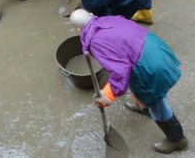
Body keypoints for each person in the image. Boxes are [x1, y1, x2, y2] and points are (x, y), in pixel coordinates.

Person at [70, 9, 188, 154]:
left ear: (78, 29)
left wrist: (108, 94)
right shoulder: (109, 19)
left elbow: (119, 71)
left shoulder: (96, 42)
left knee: (157, 103)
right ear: (91, 15)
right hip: (152, 48)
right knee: (138, 86)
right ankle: (144, 105)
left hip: (149, 67)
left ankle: (177, 139)